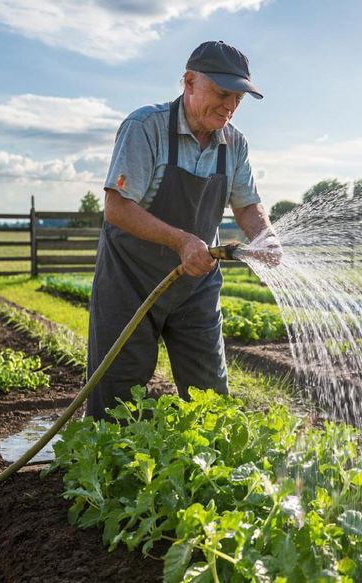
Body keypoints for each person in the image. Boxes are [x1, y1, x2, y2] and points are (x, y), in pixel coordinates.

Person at [86, 40, 280, 420]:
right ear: (189, 82)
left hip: (196, 286)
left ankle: (208, 473)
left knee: (210, 394)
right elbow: (117, 208)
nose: (229, 106)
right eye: (222, 93)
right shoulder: (145, 128)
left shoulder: (234, 143)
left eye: (237, 98)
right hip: (131, 283)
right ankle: (107, 472)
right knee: (119, 395)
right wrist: (181, 241)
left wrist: (265, 234)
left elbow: (247, 204)